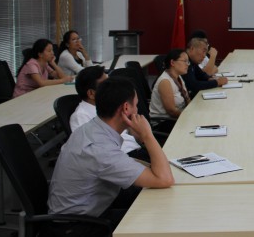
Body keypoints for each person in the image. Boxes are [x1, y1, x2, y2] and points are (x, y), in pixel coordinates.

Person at [47, 77, 174, 235]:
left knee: (155, 200)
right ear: (126, 108)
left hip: (90, 208)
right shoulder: (100, 149)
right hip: (78, 226)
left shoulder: (92, 128)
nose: (138, 110)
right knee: (161, 216)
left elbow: (128, 163)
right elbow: (164, 179)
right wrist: (147, 135)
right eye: (136, 105)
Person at [70, 66, 148, 161]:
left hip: (136, 149)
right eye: (105, 84)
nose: (112, 87)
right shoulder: (80, 115)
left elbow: (136, 136)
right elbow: (91, 153)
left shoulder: (111, 105)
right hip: (121, 158)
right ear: (91, 93)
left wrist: (141, 131)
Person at [150, 49, 191, 119]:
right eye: (185, 61)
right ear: (172, 62)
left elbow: (187, 98)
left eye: (188, 62)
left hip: (180, 115)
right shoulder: (165, 81)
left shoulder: (178, 77)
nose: (187, 64)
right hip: (165, 121)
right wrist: (190, 117)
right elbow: (172, 111)